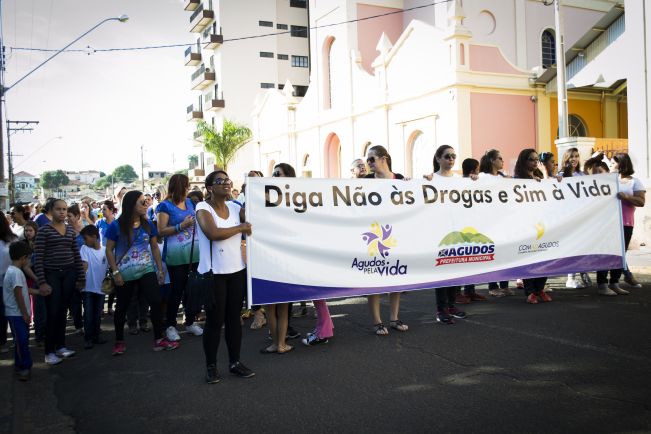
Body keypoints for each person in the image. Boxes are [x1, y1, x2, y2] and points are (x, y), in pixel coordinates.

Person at [196, 170, 255, 382]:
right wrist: (240, 227)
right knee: (214, 321)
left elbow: (253, 218)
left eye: (227, 180)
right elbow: (213, 233)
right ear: (210, 188)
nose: (226, 183)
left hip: (236, 271)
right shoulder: (203, 208)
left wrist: (255, 189)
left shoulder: (235, 206)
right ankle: (211, 366)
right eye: (219, 181)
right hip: (214, 274)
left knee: (234, 319)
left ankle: (235, 362)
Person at [105, 190, 179, 355]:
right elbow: (109, 250)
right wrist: (115, 272)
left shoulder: (148, 225)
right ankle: (119, 341)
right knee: (122, 307)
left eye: (146, 201)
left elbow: (154, 247)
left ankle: (159, 339)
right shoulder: (116, 226)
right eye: (142, 202)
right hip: (125, 273)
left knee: (155, 301)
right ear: (131, 204)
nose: (146, 204)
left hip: (147, 270)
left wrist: (160, 269)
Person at [33, 199, 85, 365]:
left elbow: (76, 255)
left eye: (64, 209)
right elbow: (38, 258)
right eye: (58, 209)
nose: (62, 212)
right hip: (52, 275)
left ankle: (61, 346)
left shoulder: (70, 230)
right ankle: (49, 351)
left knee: (62, 312)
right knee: (53, 313)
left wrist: (80, 277)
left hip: (69, 274)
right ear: (51, 210)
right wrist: (42, 282)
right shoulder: (44, 231)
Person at [364, 146, 409, 334]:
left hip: (396, 234)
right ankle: (377, 321)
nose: (369, 163)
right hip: (373, 234)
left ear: (384, 158)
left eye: (372, 159)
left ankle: (394, 318)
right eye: (368, 160)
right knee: (374, 278)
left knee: (395, 276)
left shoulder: (400, 179)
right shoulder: (365, 181)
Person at [157, 174, 203, 341]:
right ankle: (170, 325)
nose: (188, 188)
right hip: (176, 256)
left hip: (194, 253)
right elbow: (161, 230)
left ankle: (190, 322)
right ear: (179, 186)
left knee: (193, 290)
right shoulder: (165, 206)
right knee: (176, 291)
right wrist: (180, 226)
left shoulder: (190, 202)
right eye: (186, 185)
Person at [430, 145, 467, 324]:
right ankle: (441, 309)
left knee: (456, 268)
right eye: (447, 156)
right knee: (442, 271)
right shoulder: (431, 179)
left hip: (457, 230)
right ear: (438, 158)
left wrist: (475, 180)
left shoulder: (459, 179)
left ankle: (451, 305)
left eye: (453, 156)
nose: (451, 159)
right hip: (439, 231)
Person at [513, 149, 553, 304]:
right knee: (529, 258)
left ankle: (539, 289)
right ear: (524, 161)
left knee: (545, 257)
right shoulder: (516, 180)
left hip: (542, 224)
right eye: (531, 159)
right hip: (525, 225)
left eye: (537, 159)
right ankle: (530, 292)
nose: (535, 162)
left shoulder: (540, 178)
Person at [3, 241, 41, 381]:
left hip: (18, 313)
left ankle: (20, 365)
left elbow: (24, 290)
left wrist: (39, 292)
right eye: (29, 258)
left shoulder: (14, 271)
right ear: (23, 258)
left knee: (21, 340)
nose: (29, 261)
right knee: (22, 341)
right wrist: (25, 313)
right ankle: (24, 367)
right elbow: (18, 294)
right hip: (16, 314)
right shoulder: (16, 273)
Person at [477, 149, 513, 297]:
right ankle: (493, 286)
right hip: (489, 221)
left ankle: (504, 285)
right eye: (499, 158)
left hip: (504, 220)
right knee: (493, 255)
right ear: (492, 160)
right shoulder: (482, 177)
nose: (502, 161)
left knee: (505, 254)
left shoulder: (503, 176)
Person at [611, 153, 646, 291]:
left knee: (620, 253)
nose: (610, 166)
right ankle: (604, 283)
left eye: (613, 163)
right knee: (609, 252)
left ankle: (614, 282)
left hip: (626, 222)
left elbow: (641, 201)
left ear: (622, 164)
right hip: (609, 223)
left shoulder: (635, 182)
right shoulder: (608, 180)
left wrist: (626, 197)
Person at [558, 148, 591, 289]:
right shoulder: (561, 174)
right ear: (566, 158)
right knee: (573, 246)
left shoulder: (582, 174)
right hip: (568, 216)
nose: (574, 159)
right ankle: (570, 278)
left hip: (582, 216)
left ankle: (583, 270)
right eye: (571, 156)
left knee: (583, 245)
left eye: (577, 156)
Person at [457, 158, 488, 304]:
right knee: (459, 263)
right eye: (477, 169)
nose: (479, 172)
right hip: (461, 228)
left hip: (474, 226)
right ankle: (456, 293)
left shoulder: (476, 182)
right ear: (472, 171)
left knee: (473, 261)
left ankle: (470, 290)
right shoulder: (458, 183)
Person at [79, 225, 108, 349]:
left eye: (86, 238)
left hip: (101, 289)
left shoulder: (106, 250)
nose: (84, 241)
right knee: (88, 314)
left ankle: (96, 336)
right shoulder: (84, 248)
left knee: (97, 314)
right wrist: (80, 280)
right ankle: (88, 338)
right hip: (88, 288)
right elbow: (84, 265)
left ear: (94, 237)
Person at [24, 221, 46, 345]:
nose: (28, 233)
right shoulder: (34, 252)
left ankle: (44, 334)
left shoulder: (40, 248)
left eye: (30, 230)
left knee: (46, 310)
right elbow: (27, 266)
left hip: (46, 282)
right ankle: (39, 336)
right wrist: (37, 278)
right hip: (37, 282)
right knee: (39, 311)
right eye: (26, 230)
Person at [0, 211, 19, 354]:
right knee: (10, 310)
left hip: (10, 280)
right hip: (11, 280)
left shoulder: (13, 239)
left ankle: (12, 339)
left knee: (10, 310)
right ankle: (13, 338)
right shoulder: (12, 239)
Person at [96, 200, 116, 314]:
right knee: (102, 279)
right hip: (101, 255)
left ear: (111, 210)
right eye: (101, 209)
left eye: (104, 209)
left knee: (112, 279)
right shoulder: (99, 223)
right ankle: (101, 306)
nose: (102, 211)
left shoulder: (116, 223)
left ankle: (109, 307)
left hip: (113, 254)